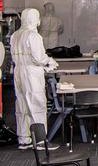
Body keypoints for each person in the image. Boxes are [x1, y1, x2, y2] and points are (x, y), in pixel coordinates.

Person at [11, 8, 59, 149]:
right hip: (31, 74)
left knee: (22, 104)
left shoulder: (15, 35)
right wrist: (50, 62)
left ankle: (24, 138)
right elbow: (39, 57)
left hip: (18, 71)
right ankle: (40, 140)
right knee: (36, 104)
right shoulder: (33, 35)